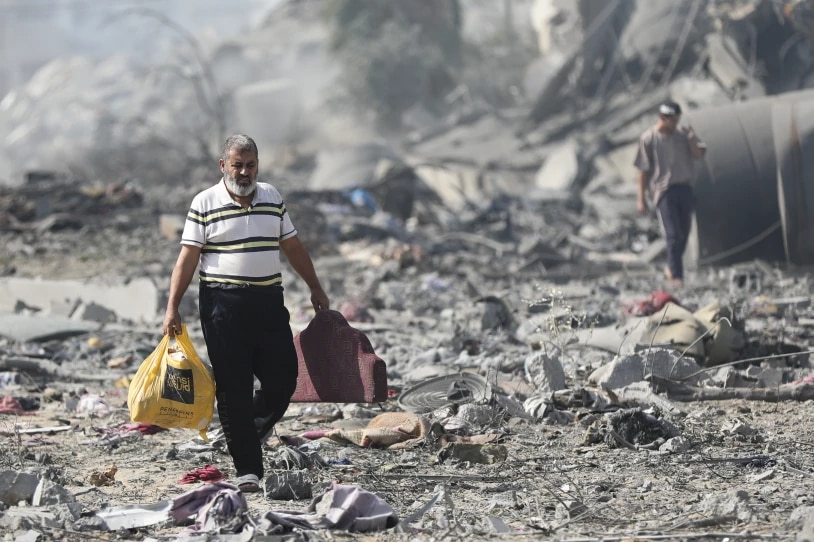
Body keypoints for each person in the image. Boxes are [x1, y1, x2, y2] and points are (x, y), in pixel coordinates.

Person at [162, 134, 330, 492]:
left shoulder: (271, 196)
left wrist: (315, 286)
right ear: (223, 165)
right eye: (237, 164)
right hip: (223, 304)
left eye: (250, 164)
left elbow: (293, 246)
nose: (243, 171)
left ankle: (242, 429)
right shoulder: (204, 203)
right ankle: (248, 470)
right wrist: (172, 306)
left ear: (258, 165)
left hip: (269, 301)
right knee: (234, 386)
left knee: (283, 378)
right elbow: (187, 258)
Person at [634, 100, 707, 288]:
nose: (675, 124)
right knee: (673, 234)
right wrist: (641, 198)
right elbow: (643, 171)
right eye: (672, 120)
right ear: (662, 118)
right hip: (664, 191)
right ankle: (676, 277)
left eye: (677, 120)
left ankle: (670, 267)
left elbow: (699, 155)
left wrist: (691, 139)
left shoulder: (683, 134)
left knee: (684, 233)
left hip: (685, 188)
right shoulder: (649, 138)